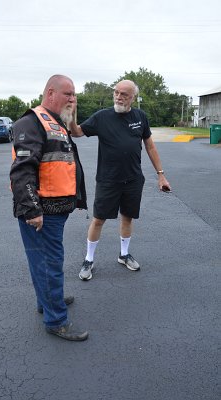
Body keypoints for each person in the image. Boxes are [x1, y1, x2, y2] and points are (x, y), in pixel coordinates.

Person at [10, 74, 89, 341]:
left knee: (42, 261)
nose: (72, 99)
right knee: (50, 263)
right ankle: (56, 320)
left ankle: (47, 302)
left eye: (74, 94)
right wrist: (32, 210)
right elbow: (22, 171)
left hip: (55, 210)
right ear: (50, 93)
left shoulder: (56, 122)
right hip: (42, 212)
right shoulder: (31, 122)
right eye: (68, 94)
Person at [69, 79, 171, 281]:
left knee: (127, 217)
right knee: (99, 219)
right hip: (108, 180)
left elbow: (150, 147)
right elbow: (77, 132)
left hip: (133, 179)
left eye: (124, 94)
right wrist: (72, 115)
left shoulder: (140, 116)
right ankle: (89, 259)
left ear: (133, 97)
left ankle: (124, 255)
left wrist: (161, 174)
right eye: (116, 92)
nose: (118, 96)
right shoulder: (102, 117)